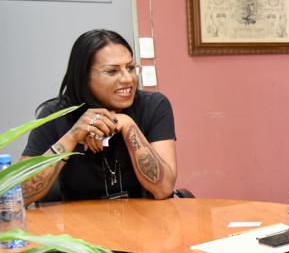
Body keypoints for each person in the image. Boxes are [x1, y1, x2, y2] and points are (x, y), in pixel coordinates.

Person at [21, 29, 177, 202]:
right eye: (112, 71)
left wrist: (127, 124)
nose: (128, 79)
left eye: (130, 68)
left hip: (142, 215)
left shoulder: (154, 106)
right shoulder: (56, 114)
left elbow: (164, 189)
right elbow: (21, 195)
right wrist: (73, 136)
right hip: (79, 217)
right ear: (83, 76)